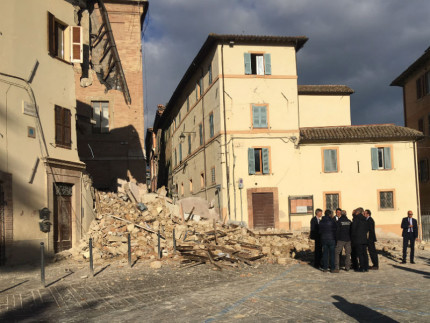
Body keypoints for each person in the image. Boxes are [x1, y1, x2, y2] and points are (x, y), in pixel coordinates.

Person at [351, 207, 369, 272]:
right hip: (364, 238)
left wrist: (353, 236)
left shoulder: (356, 219)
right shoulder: (365, 219)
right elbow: (367, 229)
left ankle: (362, 267)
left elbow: (353, 229)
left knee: (360, 254)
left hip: (358, 239)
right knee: (365, 253)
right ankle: (366, 267)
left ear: (357, 212)